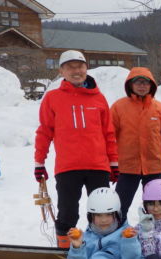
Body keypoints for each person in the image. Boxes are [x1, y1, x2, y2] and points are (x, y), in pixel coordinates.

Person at [34, 50, 118, 248]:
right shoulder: (52, 98)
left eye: (79, 66)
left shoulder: (99, 98)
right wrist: (39, 162)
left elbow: (109, 134)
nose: (76, 71)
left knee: (103, 212)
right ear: (61, 71)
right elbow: (44, 131)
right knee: (68, 213)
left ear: (86, 69)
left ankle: (105, 250)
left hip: (98, 166)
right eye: (70, 67)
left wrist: (114, 163)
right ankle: (65, 254)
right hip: (68, 167)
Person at [111, 67, 161, 222]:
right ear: (130, 85)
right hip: (126, 167)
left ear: (151, 85)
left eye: (146, 83)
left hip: (153, 167)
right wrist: (110, 162)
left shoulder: (160, 108)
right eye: (137, 82)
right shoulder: (119, 107)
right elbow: (109, 136)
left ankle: (156, 238)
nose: (142, 86)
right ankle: (117, 237)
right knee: (119, 207)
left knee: (155, 208)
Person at [64, 187, 143, 259]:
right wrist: (77, 248)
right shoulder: (86, 237)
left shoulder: (127, 234)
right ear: (91, 216)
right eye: (98, 215)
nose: (103, 220)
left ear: (117, 214)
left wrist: (129, 243)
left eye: (108, 214)